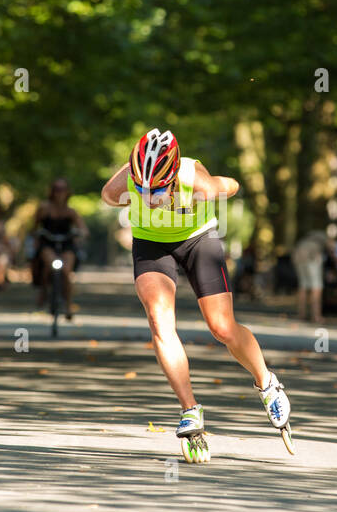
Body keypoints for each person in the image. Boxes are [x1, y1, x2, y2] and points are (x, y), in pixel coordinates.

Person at [101, 127, 292, 462]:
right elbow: (107, 195)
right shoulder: (129, 176)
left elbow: (231, 185)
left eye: (156, 188)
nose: (147, 196)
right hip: (151, 243)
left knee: (222, 328)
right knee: (160, 321)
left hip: (198, 240)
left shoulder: (195, 179)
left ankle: (267, 382)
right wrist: (131, 194)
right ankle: (190, 410)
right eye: (142, 189)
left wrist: (220, 191)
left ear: (173, 175)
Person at [32, 178, 88, 317]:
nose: (59, 193)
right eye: (57, 189)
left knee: (66, 271)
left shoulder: (71, 212)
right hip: (48, 243)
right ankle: (43, 291)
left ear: (67, 192)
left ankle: (68, 304)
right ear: (52, 191)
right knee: (49, 264)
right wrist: (36, 234)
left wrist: (82, 234)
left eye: (62, 190)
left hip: (66, 245)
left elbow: (83, 228)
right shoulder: (44, 208)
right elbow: (34, 227)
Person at [291, 229, 328, 323]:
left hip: (299, 259)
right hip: (312, 259)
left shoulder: (303, 240)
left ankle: (301, 314)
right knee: (316, 288)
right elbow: (332, 248)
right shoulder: (321, 238)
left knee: (303, 287)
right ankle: (316, 316)